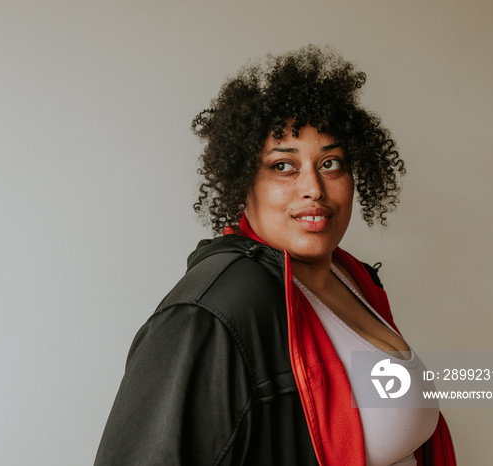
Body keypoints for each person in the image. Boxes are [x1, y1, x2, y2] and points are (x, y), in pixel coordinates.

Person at [94, 45, 456, 466]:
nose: (314, 189)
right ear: (241, 181)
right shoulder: (211, 312)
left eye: (332, 163)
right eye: (283, 166)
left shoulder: (348, 274)